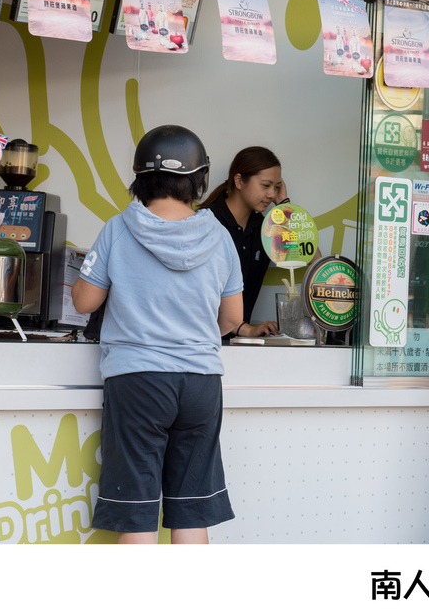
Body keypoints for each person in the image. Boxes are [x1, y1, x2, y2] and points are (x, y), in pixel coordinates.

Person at [72, 125, 241, 544]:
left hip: (138, 380)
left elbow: (83, 302)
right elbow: (233, 318)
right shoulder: (219, 236)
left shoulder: (118, 229)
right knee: (191, 510)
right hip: (201, 382)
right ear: (199, 180)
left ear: (139, 179)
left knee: (137, 511)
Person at [198, 146, 285, 338]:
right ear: (239, 181)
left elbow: (308, 254)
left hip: (240, 345)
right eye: (265, 185)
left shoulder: (266, 230)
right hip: (199, 343)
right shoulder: (206, 222)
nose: (271, 195)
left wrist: (285, 205)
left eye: (276, 187)